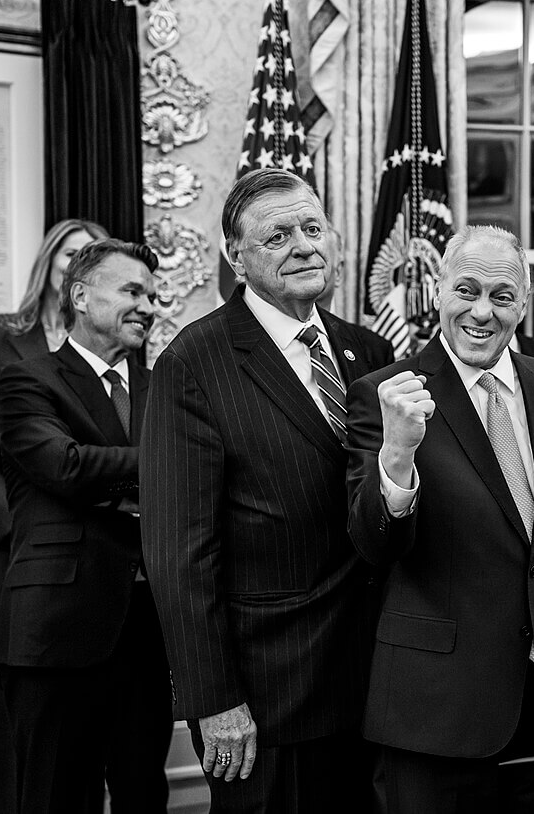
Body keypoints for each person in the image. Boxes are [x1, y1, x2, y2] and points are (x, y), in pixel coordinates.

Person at [345, 225, 534, 814]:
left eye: (501, 296)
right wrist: (397, 454)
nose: (481, 311)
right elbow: (375, 546)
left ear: (523, 304)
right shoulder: (386, 394)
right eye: (466, 290)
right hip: (434, 711)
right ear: (438, 291)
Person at [140, 169, 393, 812]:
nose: (305, 245)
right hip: (266, 695)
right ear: (236, 256)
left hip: (375, 680)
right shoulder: (194, 363)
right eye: (278, 235)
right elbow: (179, 553)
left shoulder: (368, 349)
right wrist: (215, 700)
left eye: (313, 227)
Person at [0, 238, 170, 812]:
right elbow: (64, 467)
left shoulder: (164, 386)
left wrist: (115, 484)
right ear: (80, 296)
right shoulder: (27, 380)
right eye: (132, 291)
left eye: (152, 295)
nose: (148, 305)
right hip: (58, 630)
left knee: (144, 791)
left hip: (148, 628)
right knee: (56, 795)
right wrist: (169, 458)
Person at [0, 217, 107, 814]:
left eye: (87, 257)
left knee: (86, 680)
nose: (76, 264)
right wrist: (15, 527)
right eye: (68, 254)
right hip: (13, 540)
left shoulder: (106, 334)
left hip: (92, 535)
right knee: (19, 685)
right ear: (49, 262)